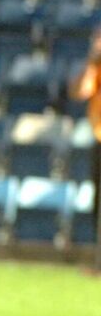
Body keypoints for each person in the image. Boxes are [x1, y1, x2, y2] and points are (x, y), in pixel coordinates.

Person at [67, 26, 101, 247]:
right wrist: (92, 63)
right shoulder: (94, 68)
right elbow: (80, 92)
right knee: (98, 201)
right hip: (100, 137)